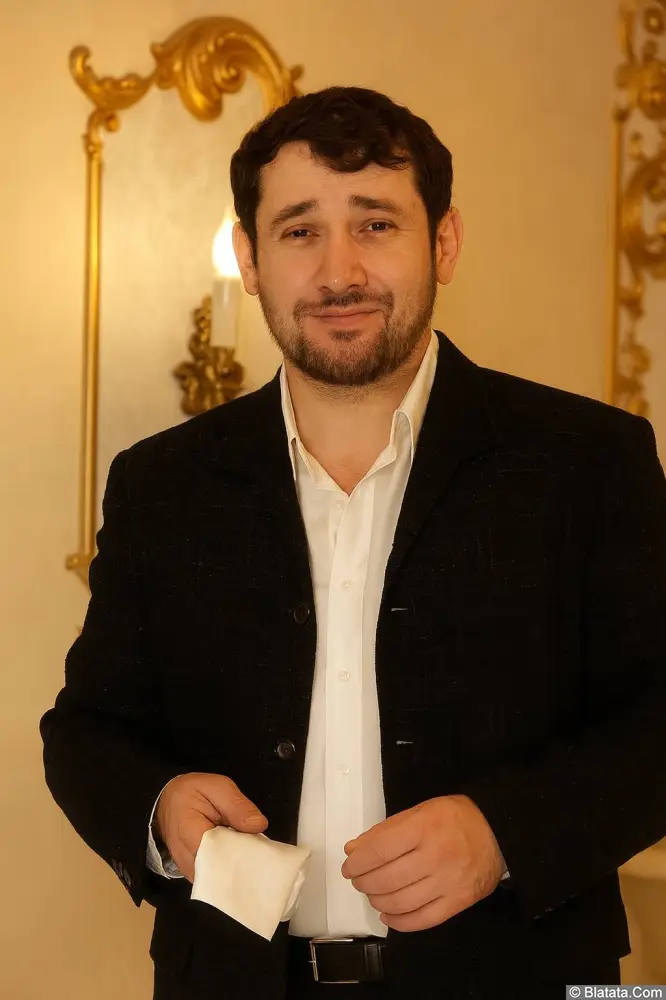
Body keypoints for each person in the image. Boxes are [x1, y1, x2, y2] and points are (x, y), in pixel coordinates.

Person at [40, 86, 666, 1000]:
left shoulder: (590, 460)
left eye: (376, 224)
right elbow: (86, 731)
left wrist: (507, 835)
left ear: (443, 242)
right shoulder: (159, 483)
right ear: (249, 259)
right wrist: (160, 809)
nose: (340, 272)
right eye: (299, 231)